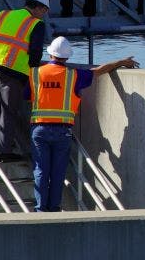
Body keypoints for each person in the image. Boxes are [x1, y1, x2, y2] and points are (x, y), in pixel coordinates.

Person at [30, 36, 137, 212]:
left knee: (41, 170)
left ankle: (41, 209)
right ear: (67, 57)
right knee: (57, 172)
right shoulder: (74, 75)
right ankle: (54, 208)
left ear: (50, 54)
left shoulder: (35, 73)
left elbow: (28, 95)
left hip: (39, 129)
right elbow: (99, 71)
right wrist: (121, 61)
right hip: (62, 131)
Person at [0, 0, 51, 161]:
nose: (44, 15)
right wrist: (33, 74)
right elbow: (35, 53)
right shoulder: (36, 23)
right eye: (44, 11)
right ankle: (5, 151)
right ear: (37, 7)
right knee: (8, 111)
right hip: (14, 72)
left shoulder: (3, 14)